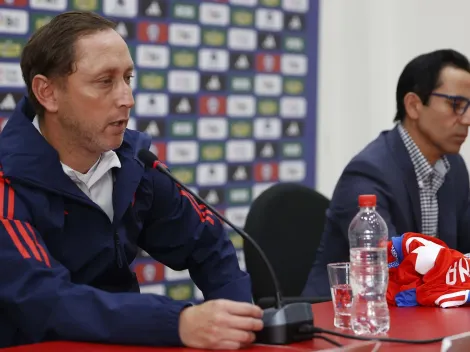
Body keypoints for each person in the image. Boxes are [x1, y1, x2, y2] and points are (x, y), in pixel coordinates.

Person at [0, 11, 263, 349]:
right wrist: (178, 322)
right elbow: (46, 300)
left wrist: (239, 324)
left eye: (128, 78)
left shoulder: (134, 164)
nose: (127, 99)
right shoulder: (7, 181)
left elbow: (207, 246)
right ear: (48, 93)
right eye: (105, 81)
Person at [302, 49, 470, 297]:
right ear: (413, 105)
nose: (466, 119)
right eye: (456, 105)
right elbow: (391, 272)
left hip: (418, 312)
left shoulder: (453, 167)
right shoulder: (368, 173)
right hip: (346, 317)